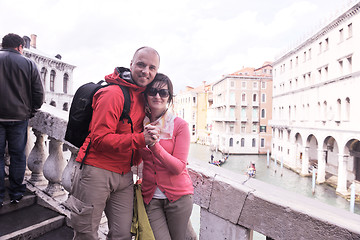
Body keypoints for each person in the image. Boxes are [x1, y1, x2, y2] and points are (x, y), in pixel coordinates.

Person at [68, 47, 160, 240]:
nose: (146, 71)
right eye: (141, 64)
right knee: (86, 233)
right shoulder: (113, 94)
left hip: (124, 176)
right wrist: (141, 139)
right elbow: (99, 139)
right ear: (131, 65)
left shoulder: (143, 97)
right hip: (96, 171)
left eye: (152, 67)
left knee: (123, 234)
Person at [140, 73, 194, 240]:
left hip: (179, 198)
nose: (157, 96)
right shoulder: (140, 124)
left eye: (163, 93)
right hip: (151, 197)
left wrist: (155, 146)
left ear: (169, 98)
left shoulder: (180, 126)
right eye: (153, 91)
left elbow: (178, 167)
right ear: (146, 94)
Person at [0, 33, 44, 207]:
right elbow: (39, 94)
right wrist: (31, 109)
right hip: (19, 117)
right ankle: (16, 193)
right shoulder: (29, 64)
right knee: (18, 156)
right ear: (19, 47)